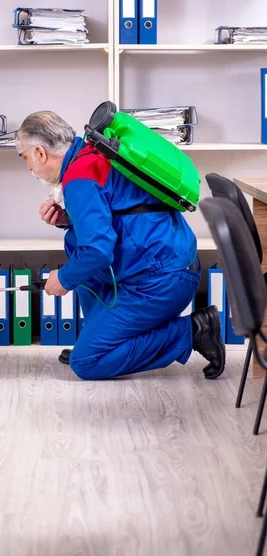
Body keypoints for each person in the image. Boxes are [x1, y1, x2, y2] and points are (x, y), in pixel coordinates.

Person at [15, 110, 225, 381]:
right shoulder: (93, 153)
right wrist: (70, 219)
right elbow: (122, 215)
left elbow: (97, 251)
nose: (29, 167)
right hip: (172, 267)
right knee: (82, 262)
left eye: (26, 158)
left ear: (40, 153)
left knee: (87, 363)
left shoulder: (78, 179)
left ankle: (193, 331)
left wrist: (62, 279)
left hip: (160, 283)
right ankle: (98, 341)